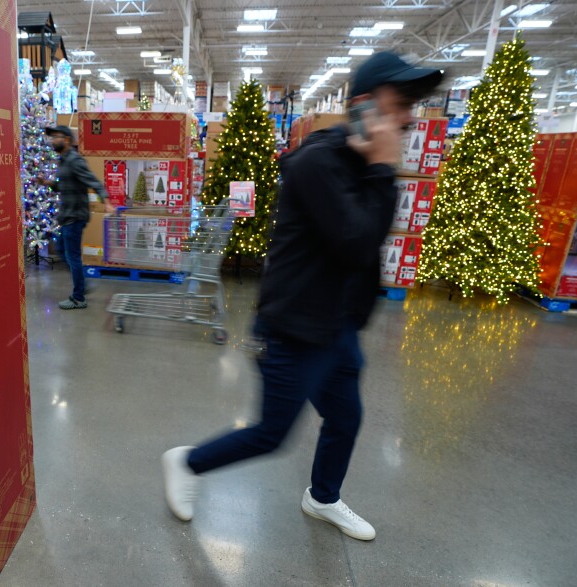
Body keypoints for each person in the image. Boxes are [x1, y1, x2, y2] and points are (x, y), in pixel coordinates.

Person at [162, 52, 444, 540]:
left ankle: (323, 498)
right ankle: (186, 463)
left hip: (336, 327)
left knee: (345, 418)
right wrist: (383, 168)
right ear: (365, 107)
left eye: (413, 105)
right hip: (294, 329)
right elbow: (357, 242)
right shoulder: (319, 163)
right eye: (401, 103)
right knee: (272, 434)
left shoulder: (360, 162)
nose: (410, 116)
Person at [42, 125, 115, 310]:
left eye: (56, 137)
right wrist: (48, 183)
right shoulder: (63, 161)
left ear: (66, 139)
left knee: (72, 256)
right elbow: (62, 186)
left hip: (75, 215)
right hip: (67, 215)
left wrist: (105, 201)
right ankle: (82, 282)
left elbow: (93, 180)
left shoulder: (75, 160)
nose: (52, 140)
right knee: (61, 250)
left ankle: (78, 297)